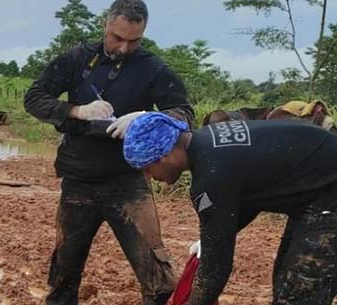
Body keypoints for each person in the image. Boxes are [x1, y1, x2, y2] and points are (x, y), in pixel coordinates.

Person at [24, 0, 194, 305]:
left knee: (158, 274)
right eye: (118, 38)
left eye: (134, 41)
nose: (124, 48)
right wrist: (77, 111)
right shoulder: (76, 60)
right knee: (64, 274)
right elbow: (34, 98)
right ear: (106, 25)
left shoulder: (152, 68)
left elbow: (183, 112)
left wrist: (146, 118)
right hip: (78, 180)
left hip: (128, 181)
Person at [124, 113, 337, 305]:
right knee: (285, 282)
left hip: (327, 201)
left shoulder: (210, 176)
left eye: (147, 167)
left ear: (166, 154)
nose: (149, 177)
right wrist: (213, 237)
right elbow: (252, 195)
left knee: (299, 294)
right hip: (317, 194)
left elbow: (214, 270)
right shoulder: (207, 142)